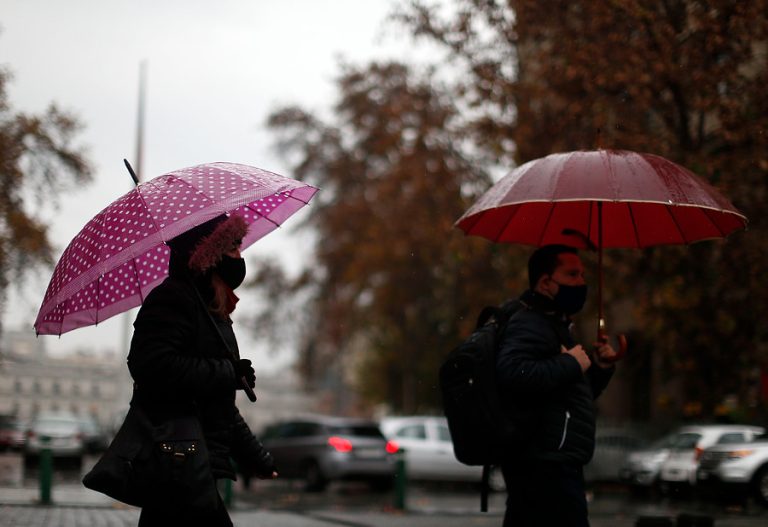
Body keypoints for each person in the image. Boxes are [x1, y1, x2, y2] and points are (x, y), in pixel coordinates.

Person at [127, 214, 277, 527]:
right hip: (178, 461)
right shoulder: (173, 298)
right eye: (233, 247)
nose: (240, 256)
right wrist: (226, 372)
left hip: (194, 463)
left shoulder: (209, 308)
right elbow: (151, 365)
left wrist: (255, 458)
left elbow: (218, 406)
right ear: (209, 255)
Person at [496, 244, 620, 527]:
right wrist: (571, 363)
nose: (581, 282)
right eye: (572, 275)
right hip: (544, 465)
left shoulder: (554, 325)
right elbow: (513, 373)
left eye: (583, 275)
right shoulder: (531, 323)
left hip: (551, 461)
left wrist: (600, 368)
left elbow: (570, 398)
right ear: (545, 283)